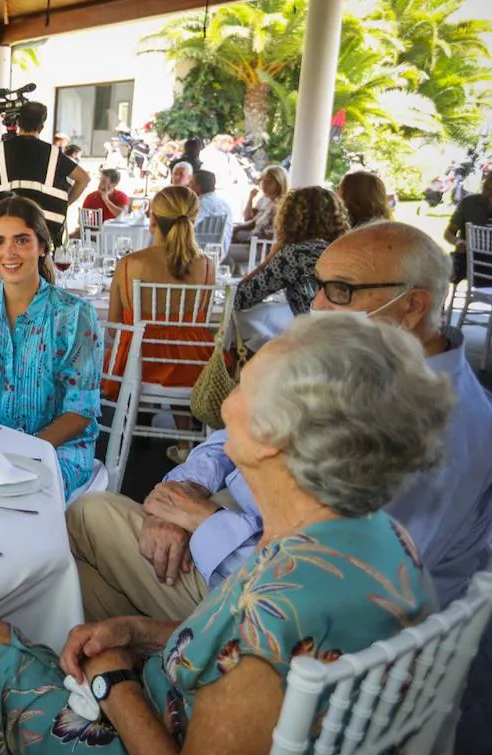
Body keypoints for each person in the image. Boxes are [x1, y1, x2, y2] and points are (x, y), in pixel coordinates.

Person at [0, 313, 446, 755]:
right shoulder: (378, 538)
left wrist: (114, 680)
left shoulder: (269, 616)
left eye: (242, 386)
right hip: (225, 720)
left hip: (152, 745)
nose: (224, 401)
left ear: (272, 438)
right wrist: (137, 631)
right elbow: (235, 655)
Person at [69, 221, 492, 622]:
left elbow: (338, 590)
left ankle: (152, 667)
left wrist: (204, 524)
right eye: (319, 284)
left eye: (340, 290)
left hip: (267, 590)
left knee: (86, 516)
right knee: (74, 586)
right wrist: (187, 489)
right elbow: (226, 438)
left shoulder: (438, 429)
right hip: (235, 528)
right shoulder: (366, 362)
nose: (317, 304)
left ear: (413, 304)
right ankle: (132, 670)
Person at [0, 196, 102, 498]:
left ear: (42, 247)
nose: (9, 253)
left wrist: (22, 451)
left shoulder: (73, 315)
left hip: (54, 449)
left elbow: (80, 411)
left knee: (13, 494)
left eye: (22, 240)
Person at [106, 185, 214, 388]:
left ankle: (137, 413)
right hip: (192, 367)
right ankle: (186, 420)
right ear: (194, 219)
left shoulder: (130, 264)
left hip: (136, 368)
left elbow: (114, 328)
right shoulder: (207, 265)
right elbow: (202, 325)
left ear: (153, 219)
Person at [0, 102, 90, 247]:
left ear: (18, 122)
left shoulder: (0, 151)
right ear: (41, 127)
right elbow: (84, 179)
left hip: (6, 232)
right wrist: (65, 203)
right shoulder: (54, 154)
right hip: (44, 235)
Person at [233, 185, 349, 317]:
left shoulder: (297, 254)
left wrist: (270, 258)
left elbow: (240, 298)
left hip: (317, 333)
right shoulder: (342, 249)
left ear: (289, 217)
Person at [445, 165, 492, 288]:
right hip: (467, 262)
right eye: (487, 187)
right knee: (436, 271)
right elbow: (449, 233)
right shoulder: (469, 203)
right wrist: (458, 242)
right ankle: (439, 306)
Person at [233, 164, 288, 243]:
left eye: (268, 182)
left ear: (279, 184)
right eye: (263, 181)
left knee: (225, 249)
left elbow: (271, 235)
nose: (264, 185)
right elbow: (252, 221)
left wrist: (247, 238)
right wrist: (234, 229)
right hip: (253, 239)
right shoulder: (267, 201)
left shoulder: (281, 205)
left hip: (262, 247)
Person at [190, 169, 233, 241]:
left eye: (191, 183)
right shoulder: (224, 205)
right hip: (220, 249)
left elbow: (189, 225)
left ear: (198, 187)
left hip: (199, 248)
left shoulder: (202, 204)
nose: (188, 185)